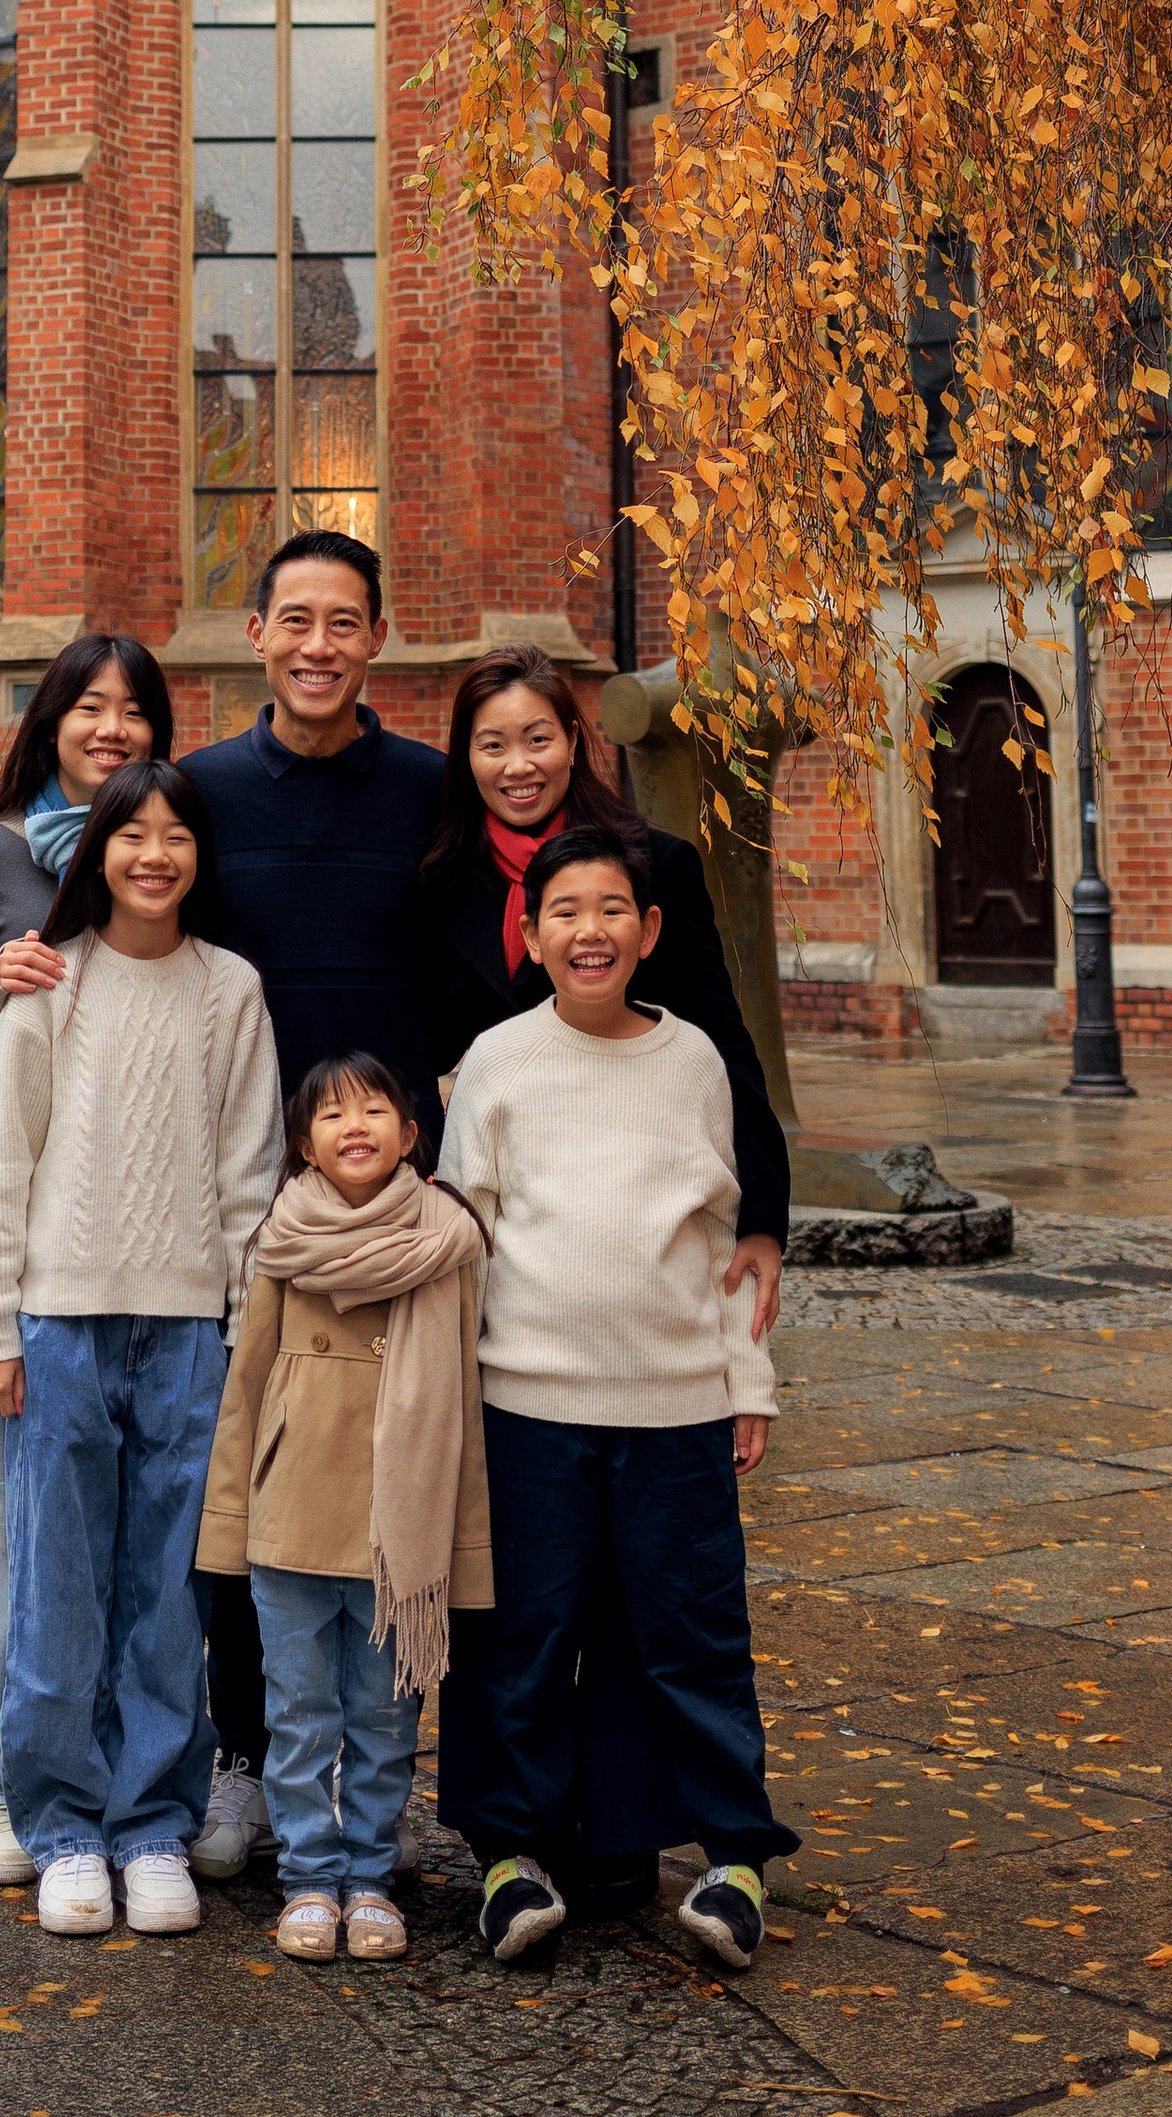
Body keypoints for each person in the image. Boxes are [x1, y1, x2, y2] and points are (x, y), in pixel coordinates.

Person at [418, 642, 791, 1912]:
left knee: (672, 1624)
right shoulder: (444, 885)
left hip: (665, 1373)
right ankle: (512, 1840)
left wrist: (763, 1255)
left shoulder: (656, 889)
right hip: (531, 1369)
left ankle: (651, 1837)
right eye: (491, 742)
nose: (517, 763)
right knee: (521, 1624)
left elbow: (728, 1095)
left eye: (539, 737)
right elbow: (463, 1201)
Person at [0, 758, 283, 1940]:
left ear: (200, 855)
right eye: (131, 834)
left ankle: (151, 1822)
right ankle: (60, 1827)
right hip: (59, 1320)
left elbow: (250, 1177)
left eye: (175, 837)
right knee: (58, 1590)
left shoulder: (229, 991)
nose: (154, 855)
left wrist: (244, 1330)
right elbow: (6, 1160)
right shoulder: (53, 983)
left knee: (167, 1595)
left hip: (188, 1327)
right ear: (96, 848)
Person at [179, 525, 444, 1876]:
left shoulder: (431, 792)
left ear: (376, 640)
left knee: (398, 1489)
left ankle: (377, 1781)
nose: (320, 645)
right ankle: (241, 1760)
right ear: (259, 636)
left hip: (402, 1207)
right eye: (297, 620)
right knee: (256, 1492)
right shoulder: (206, 789)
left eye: (345, 622)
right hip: (257, 1206)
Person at [0, 634, 173, 1885]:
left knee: (110, 1525)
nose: (110, 729)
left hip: (128, 1234)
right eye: (89, 708)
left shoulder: (166, 857)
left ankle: (104, 1774)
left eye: (133, 712)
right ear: (50, 719)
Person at [195, 1052, 492, 1965]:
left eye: (375, 1110)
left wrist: (466, 1544)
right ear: (302, 1145)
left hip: (399, 1527)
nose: (354, 1125)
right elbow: (247, 1386)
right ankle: (308, 1880)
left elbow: (466, 1400)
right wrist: (230, 1522)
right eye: (331, 1115)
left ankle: (369, 1875)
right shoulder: (282, 1236)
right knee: (298, 1714)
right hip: (293, 1512)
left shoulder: (447, 1237)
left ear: (411, 1136)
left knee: (383, 1716)